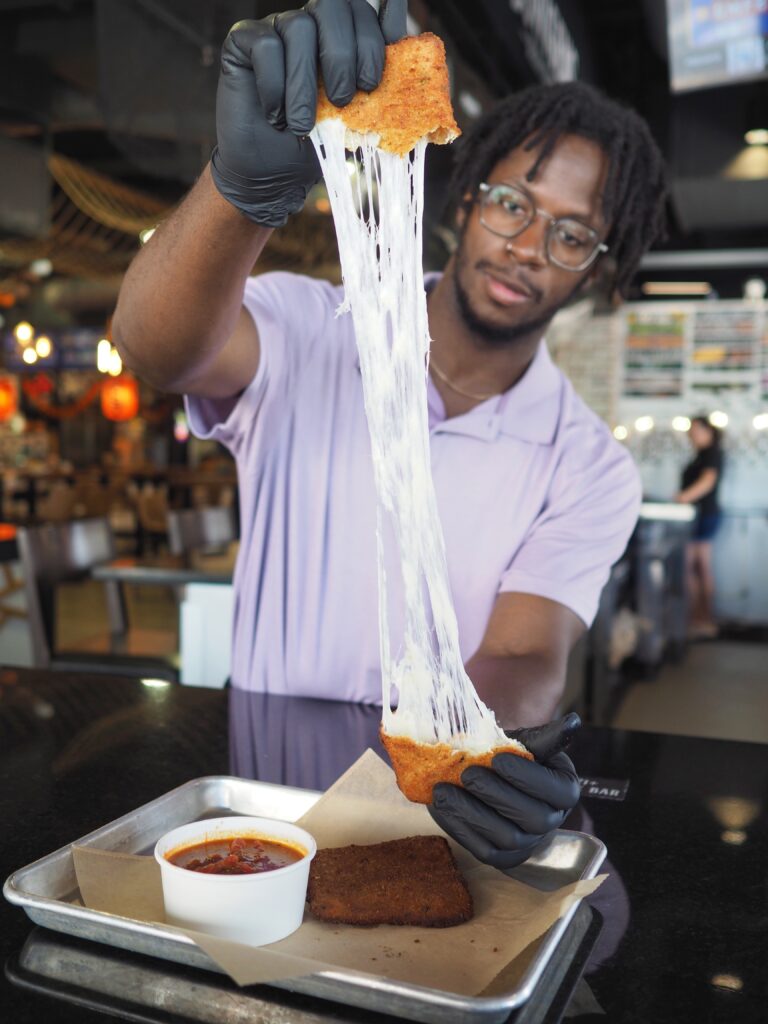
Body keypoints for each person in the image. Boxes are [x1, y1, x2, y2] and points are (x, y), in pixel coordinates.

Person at [111, 0, 667, 869]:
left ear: (600, 270)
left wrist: (478, 753)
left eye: (572, 234)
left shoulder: (591, 466)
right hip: (264, 807)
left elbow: (526, 650)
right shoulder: (313, 329)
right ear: (466, 195)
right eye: (513, 203)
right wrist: (242, 191)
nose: (528, 245)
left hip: (434, 828)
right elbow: (154, 348)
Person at [676, 416, 724, 638]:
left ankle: (701, 620)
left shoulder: (712, 453)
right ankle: (698, 619)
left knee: (698, 567)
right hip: (698, 515)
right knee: (697, 568)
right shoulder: (701, 454)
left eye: (695, 430)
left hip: (703, 515)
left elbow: (707, 482)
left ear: (708, 431)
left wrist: (684, 497)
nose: (691, 435)